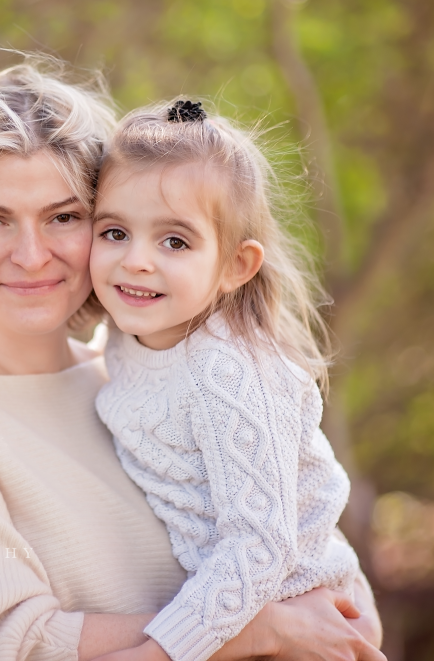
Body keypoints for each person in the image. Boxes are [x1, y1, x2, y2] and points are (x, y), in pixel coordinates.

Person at [0, 56, 385, 661]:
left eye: (65, 218)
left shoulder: (135, 372)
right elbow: (4, 646)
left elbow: (325, 581)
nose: (31, 255)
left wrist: (308, 618)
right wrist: (260, 631)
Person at [89, 100, 359, 661]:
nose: (136, 260)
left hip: (294, 606)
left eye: (175, 242)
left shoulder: (225, 371)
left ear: (236, 266)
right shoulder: (123, 333)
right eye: (114, 232)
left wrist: (156, 654)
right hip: (226, 610)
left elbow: (258, 546)